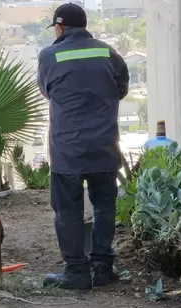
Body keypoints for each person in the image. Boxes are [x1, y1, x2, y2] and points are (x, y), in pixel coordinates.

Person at [37, 3, 129, 290]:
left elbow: (46, 91)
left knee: (67, 210)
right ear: (85, 25)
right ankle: (102, 267)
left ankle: (76, 271)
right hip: (104, 144)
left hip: (68, 150)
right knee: (104, 205)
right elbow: (122, 88)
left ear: (60, 27)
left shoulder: (49, 56)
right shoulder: (107, 52)